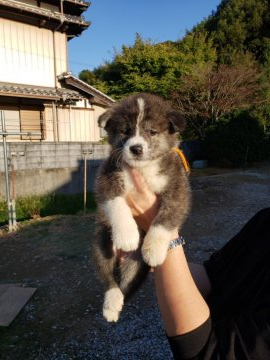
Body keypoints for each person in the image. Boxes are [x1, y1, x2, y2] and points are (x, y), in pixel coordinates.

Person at [126, 168, 270, 360]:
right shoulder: (266, 221)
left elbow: (207, 352)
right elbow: (210, 277)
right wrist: (145, 258)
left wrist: (163, 233)